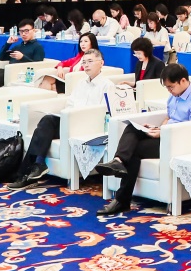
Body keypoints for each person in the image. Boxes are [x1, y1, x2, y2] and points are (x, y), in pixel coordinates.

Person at [95, 64, 191, 216]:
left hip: (178, 143)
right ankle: (118, 161)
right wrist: (158, 128)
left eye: (171, 87)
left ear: (183, 81)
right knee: (132, 128)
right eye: (167, 87)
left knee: (134, 151)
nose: (169, 90)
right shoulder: (174, 96)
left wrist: (163, 133)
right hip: (165, 134)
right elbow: (169, 118)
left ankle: (122, 200)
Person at [7, 50, 115, 189]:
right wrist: (66, 115)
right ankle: (37, 165)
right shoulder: (81, 83)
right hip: (70, 121)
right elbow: (70, 103)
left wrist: (75, 115)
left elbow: (104, 112)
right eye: (84, 62)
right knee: (47, 121)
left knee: (46, 125)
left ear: (101, 63)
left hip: (87, 126)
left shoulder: (107, 85)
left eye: (90, 61)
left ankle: (24, 173)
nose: (86, 65)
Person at [0, 19, 45, 87]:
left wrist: (22, 57)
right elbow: (1, 57)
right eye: (21, 31)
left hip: (16, 75)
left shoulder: (37, 47)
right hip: (4, 72)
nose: (23, 34)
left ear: (34, 31)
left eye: (26, 31)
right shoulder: (18, 46)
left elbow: (37, 66)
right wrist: (8, 43)